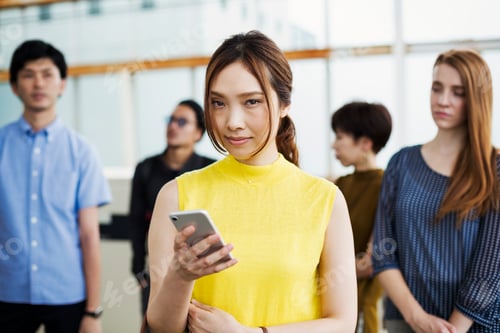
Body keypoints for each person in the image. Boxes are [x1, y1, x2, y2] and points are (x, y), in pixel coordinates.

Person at [145, 30, 357, 333]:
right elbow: (162, 327)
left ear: (285, 104)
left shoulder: (324, 199)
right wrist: (180, 275)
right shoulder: (177, 195)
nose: (232, 121)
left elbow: (343, 323)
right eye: (218, 103)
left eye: (251, 102)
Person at [372, 49, 500, 333]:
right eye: (437, 88)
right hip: (404, 321)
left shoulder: (495, 169)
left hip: (472, 324)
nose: (443, 101)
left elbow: (490, 267)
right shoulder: (401, 162)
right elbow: (382, 251)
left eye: (458, 92)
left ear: (477, 99)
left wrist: (452, 329)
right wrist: (416, 318)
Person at [0, 40, 111, 332]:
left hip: (67, 293)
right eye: (28, 74)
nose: (38, 82)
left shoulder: (82, 151)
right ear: (13, 86)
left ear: (62, 84)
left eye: (47, 74)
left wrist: (93, 312)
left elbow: (89, 235)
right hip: (6, 292)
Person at [129, 99, 216, 315]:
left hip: (201, 267)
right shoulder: (146, 168)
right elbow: (137, 222)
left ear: (198, 133)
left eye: (182, 122)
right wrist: (139, 268)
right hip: (157, 266)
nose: (172, 126)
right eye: (171, 120)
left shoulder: (210, 169)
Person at [330, 101, 392, 333]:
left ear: (365, 143)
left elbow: (371, 263)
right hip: (337, 300)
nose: (333, 145)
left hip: (365, 305)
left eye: (340, 137)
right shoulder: (341, 185)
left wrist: (326, 276)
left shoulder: (386, 185)